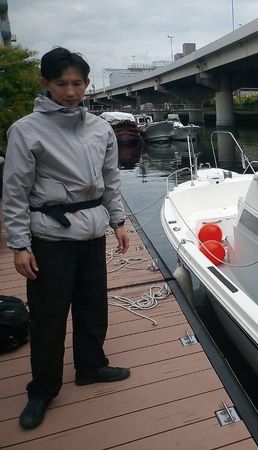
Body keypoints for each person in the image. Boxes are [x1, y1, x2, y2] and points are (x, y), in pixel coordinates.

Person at [2, 47, 131, 429]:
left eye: (78, 83)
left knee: (93, 307)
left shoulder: (100, 128)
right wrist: (19, 244)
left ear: (87, 84)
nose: (71, 91)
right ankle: (42, 389)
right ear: (46, 84)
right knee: (48, 317)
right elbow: (15, 192)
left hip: (92, 233)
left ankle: (91, 366)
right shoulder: (26, 130)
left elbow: (110, 181)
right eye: (62, 84)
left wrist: (119, 221)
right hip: (49, 237)